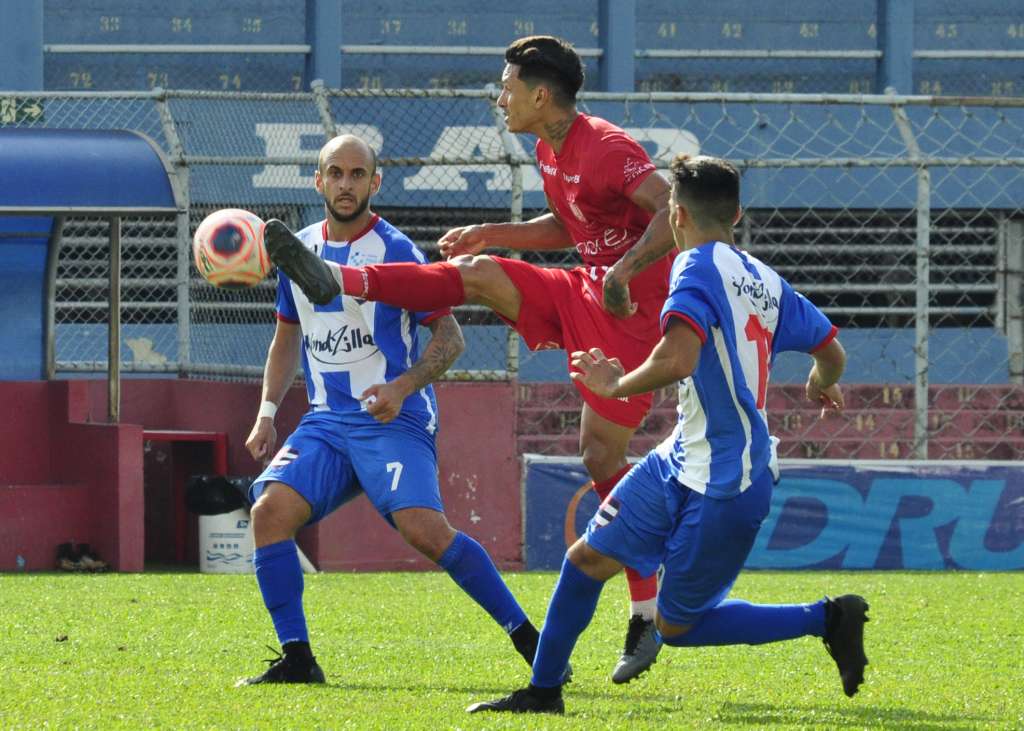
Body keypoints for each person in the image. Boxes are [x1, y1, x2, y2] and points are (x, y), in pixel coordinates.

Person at [264, 35, 678, 682]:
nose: (499, 98)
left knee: (599, 456)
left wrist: (624, 271)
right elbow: (574, 226)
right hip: (584, 289)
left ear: (540, 95)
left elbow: (673, 210)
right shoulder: (549, 147)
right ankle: (346, 280)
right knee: (478, 269)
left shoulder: (604, 145)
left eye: (507, 87)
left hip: (629, 311)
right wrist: (496, 232)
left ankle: (647, 611)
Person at [465, 154, 869, 715]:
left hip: (728, 478)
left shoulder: (693, 267)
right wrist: (821, 382)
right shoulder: (765, 279)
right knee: (585, 560)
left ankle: (828, 617)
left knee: (678, 625)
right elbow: (832, 350)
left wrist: (615, 386)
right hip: (681, 457)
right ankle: (543, 691)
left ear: (676, 214)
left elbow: (678, 357)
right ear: (737, 214)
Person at [237, 134, 543, 686]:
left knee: (425, 531)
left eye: (358, 174)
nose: (346, 183)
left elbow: (449, 341)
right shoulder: (295, 249)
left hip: (393, 418)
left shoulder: (398, 251)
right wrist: (266, 411)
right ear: (319, 180)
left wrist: (402, 388)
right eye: (336, 173)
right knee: (269, 513)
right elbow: (286, 339)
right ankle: (298, 659)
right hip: (327, 421)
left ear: (375, 183)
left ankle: (533, 644)